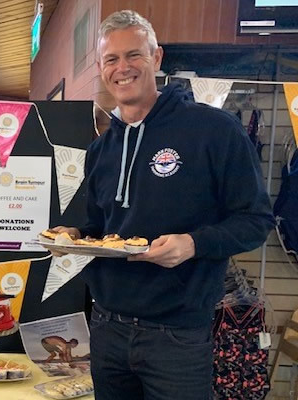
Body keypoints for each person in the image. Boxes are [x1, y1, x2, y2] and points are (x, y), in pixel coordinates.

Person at [52, 10, 275, 400]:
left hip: (177, 337)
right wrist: (74, 235)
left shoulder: (215, 131)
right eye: (111, 59)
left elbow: (256, 220)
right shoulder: (101, 149)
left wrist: (192, 243)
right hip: (107, 329)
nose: (122, 68)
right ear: (103, 69)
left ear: (156, 58)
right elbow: (98, 226)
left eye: (133, 55)